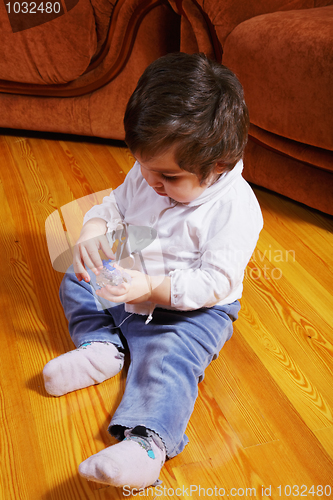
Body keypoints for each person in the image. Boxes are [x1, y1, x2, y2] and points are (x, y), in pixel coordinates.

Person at [43, 52, 263, 490]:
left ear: (217, 165)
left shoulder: (235, 210)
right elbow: (116, 205)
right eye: (144, 166)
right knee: (78, 274)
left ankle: (146, 445)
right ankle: (102, 346)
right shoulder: (149, 172)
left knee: (169, 361)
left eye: (168, 176)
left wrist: (154, 288)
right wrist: (94, 230)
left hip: (192, 311)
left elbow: (214, 283)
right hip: (134, 271)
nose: (151, 182)